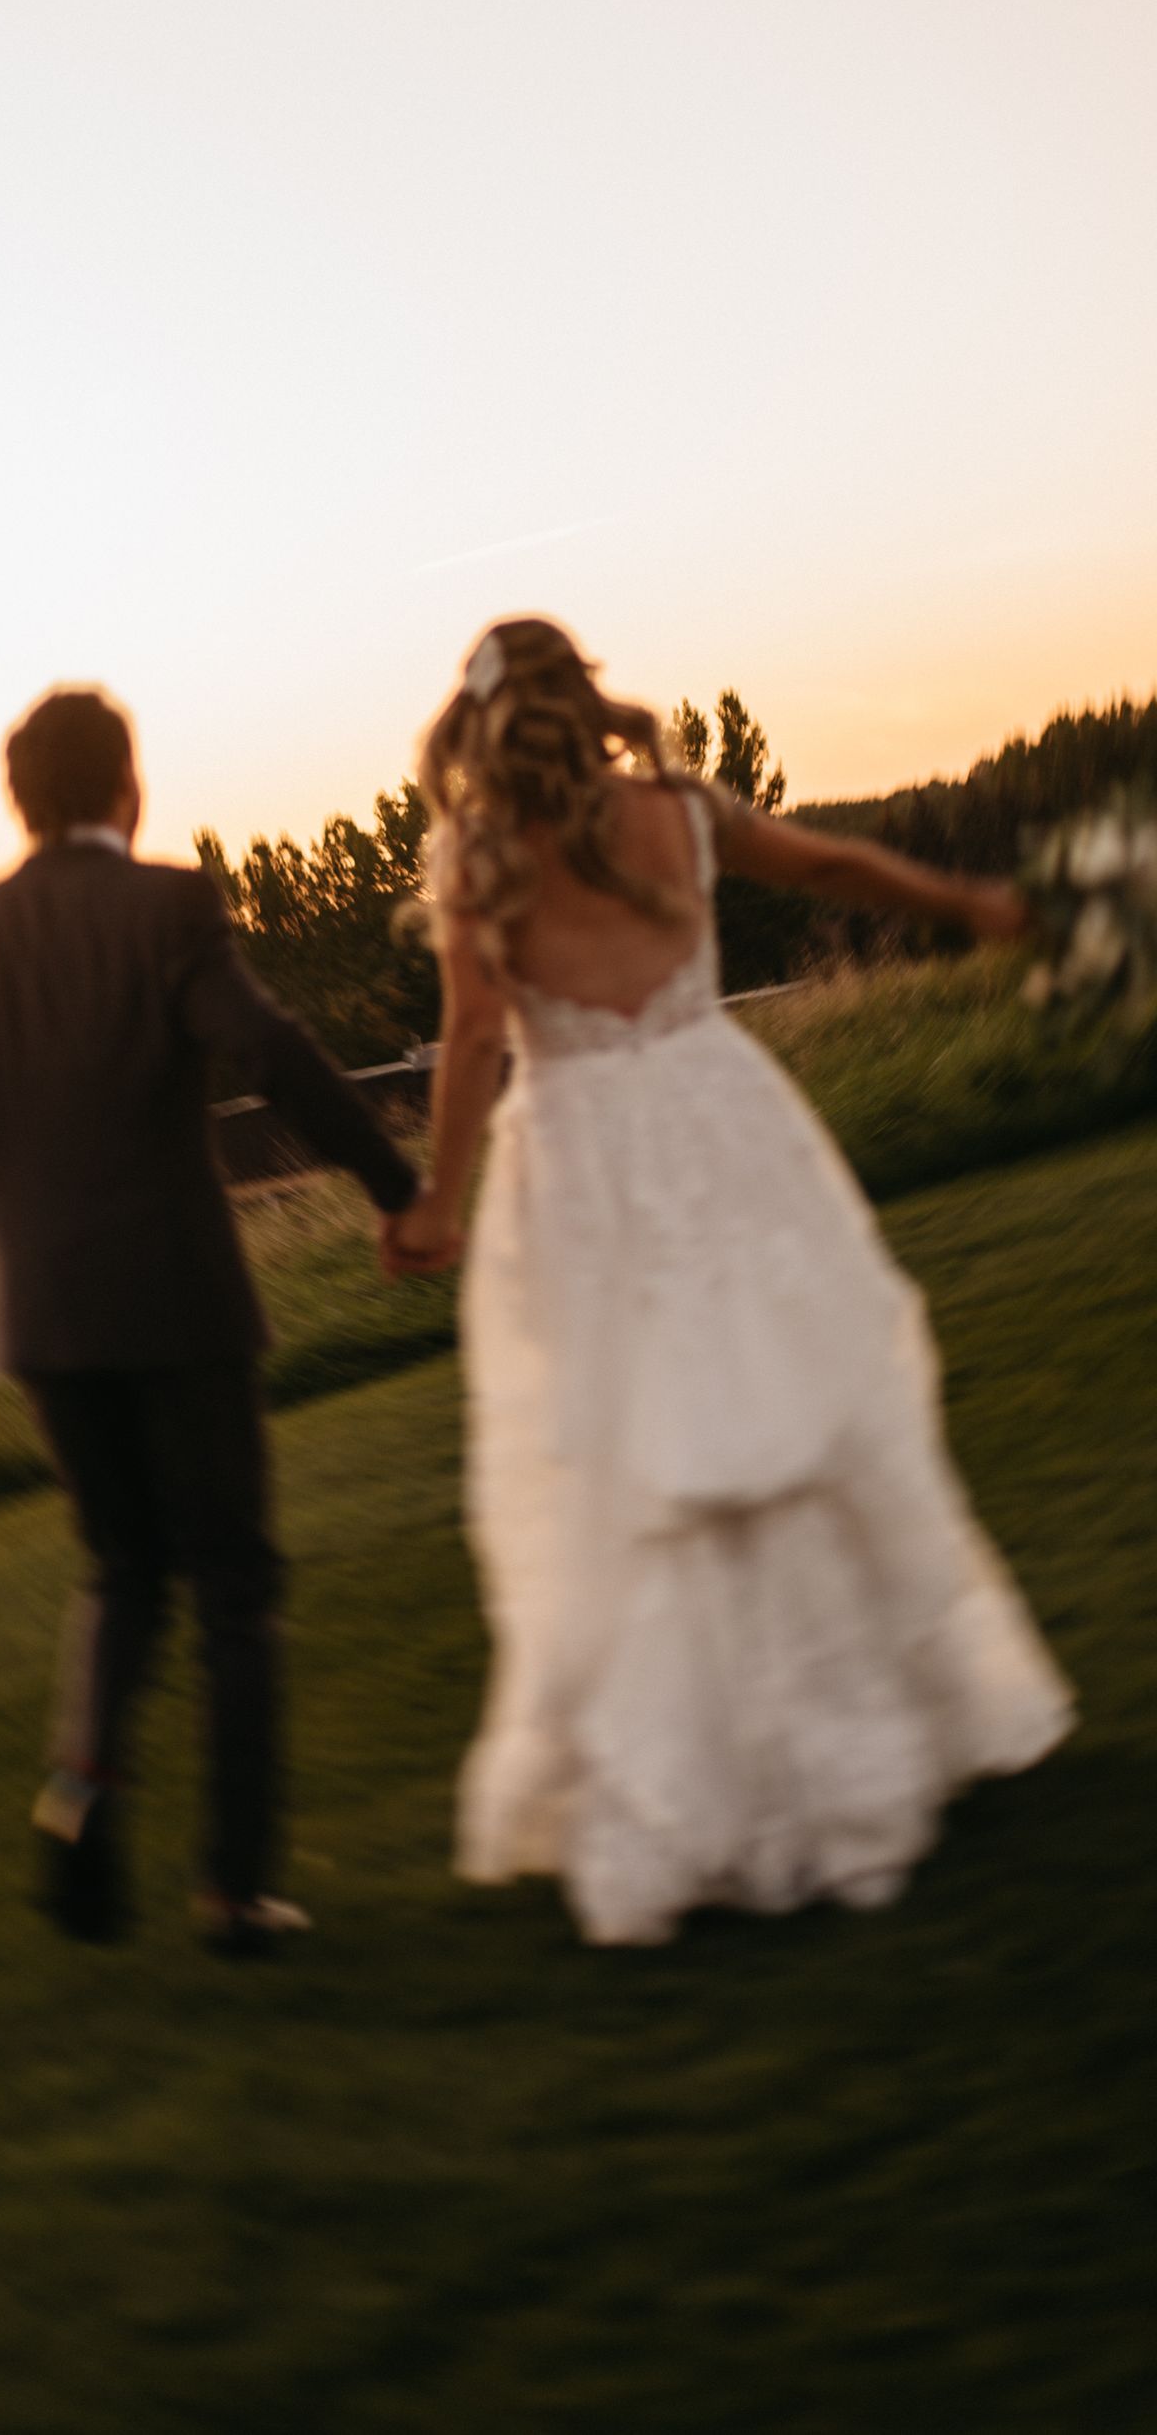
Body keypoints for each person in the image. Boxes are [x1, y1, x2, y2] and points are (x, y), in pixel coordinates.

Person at [385, 619, 1072, 1947]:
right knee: (796, 1408)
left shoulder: (476, 862)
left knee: (634, 1457)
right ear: (588, 700)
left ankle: (701, 1795)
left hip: (580, 1158)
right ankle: (870, 1740)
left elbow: (475, 1038)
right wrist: (969, 905)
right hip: (721, 1121)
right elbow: (835, 860)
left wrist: (438, 1197)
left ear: (480, 724)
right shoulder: (681, 810)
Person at [0, 686, 420, 1955]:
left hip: (43, 1313)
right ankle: (232, 1887)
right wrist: (395, 1184)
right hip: (175, 1292)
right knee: (232, 1586)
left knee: (121, 1570)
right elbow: (265, 1049)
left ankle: (79, 1795)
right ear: (128, 786)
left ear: (22, 801)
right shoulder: (166, 905)